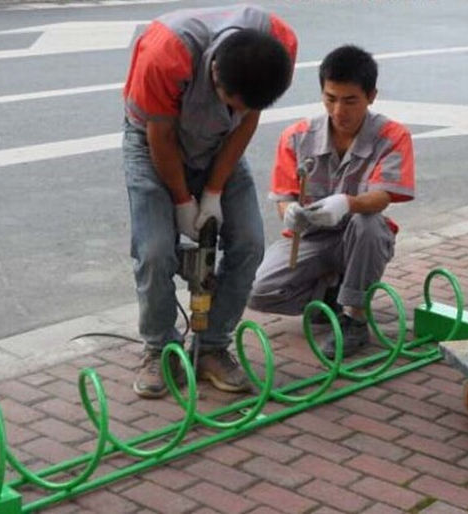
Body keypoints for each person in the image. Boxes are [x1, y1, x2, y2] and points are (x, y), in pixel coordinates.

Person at [122, 5, 297, 398]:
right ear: (214, 72)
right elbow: (160, 137)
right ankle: (160, 349)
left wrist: (214, 191)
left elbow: (247, 119)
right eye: (229, 101)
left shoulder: (278, 45)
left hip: (221, 144)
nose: (235, 110)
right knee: (155, 251)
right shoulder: (165, 53)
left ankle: (211, 347)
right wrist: (184, 202)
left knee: (250, 243)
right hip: (154, 143)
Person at [248, 45, 415, 358]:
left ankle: (354, 318)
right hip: (311, 238)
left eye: (351, 100)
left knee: (369, 225)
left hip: (361, 235)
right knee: (259, 291)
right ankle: (330, 294)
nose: (339, 111)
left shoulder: (393, 136)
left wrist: (347, 204)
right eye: (331, 98)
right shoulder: (297, 136)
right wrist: (290, 212)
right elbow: (284, 195)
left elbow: (383, 196)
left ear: (371, 96)